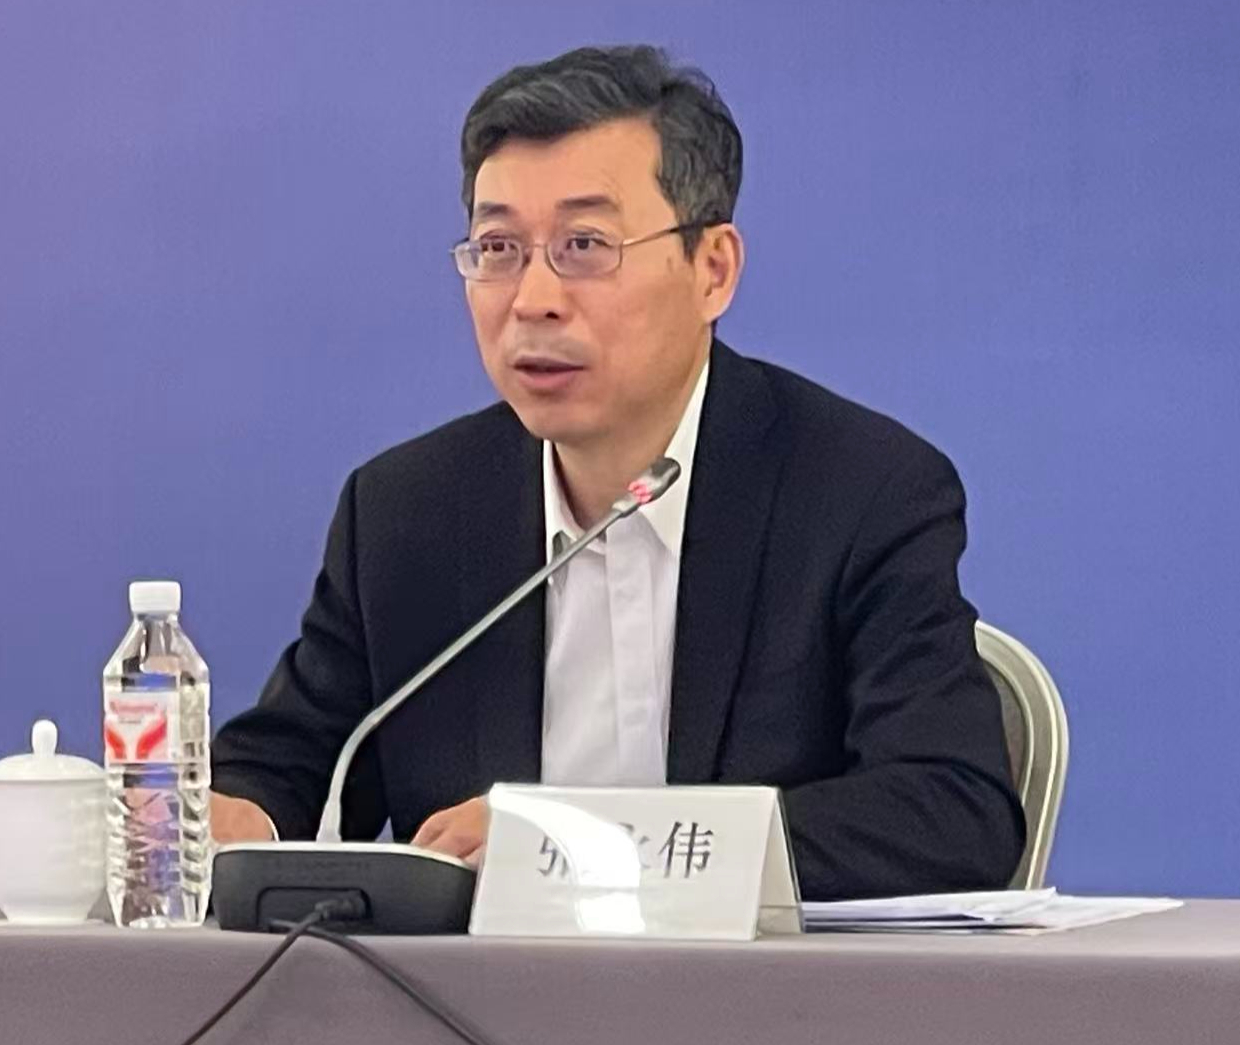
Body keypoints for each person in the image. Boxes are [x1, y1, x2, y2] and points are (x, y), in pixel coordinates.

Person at [210, 44, 1025, 900]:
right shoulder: (407, 512)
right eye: (497, 247)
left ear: (712, 270)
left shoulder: (858, 491)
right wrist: (223, 815)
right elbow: (288, 768)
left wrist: (585, 843)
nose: (533, 299)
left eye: (584, 245)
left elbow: (951, 811)